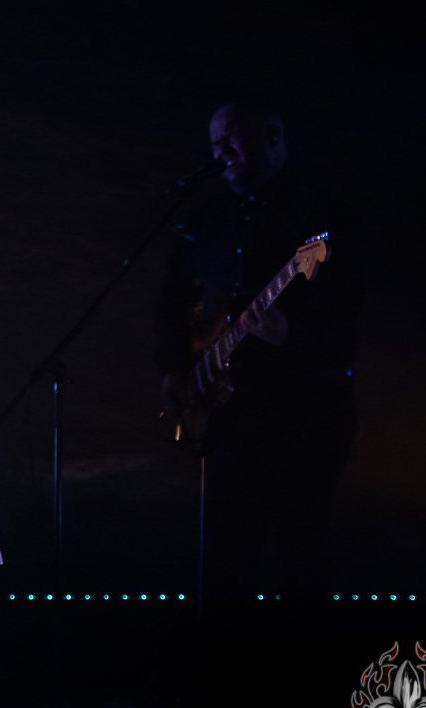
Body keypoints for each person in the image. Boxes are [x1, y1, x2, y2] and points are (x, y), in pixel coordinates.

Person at [155, 100, 363, 606]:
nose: (221, 153)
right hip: (232, 417)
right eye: (215, 144)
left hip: (305, 416)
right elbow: (172, 297)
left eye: (233, 140)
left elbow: (347, 304)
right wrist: (174, 367)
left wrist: (291, 334)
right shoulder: (207, 218)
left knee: (302, 558)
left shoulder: (318, 213)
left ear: (273, 139)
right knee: (225, 562)